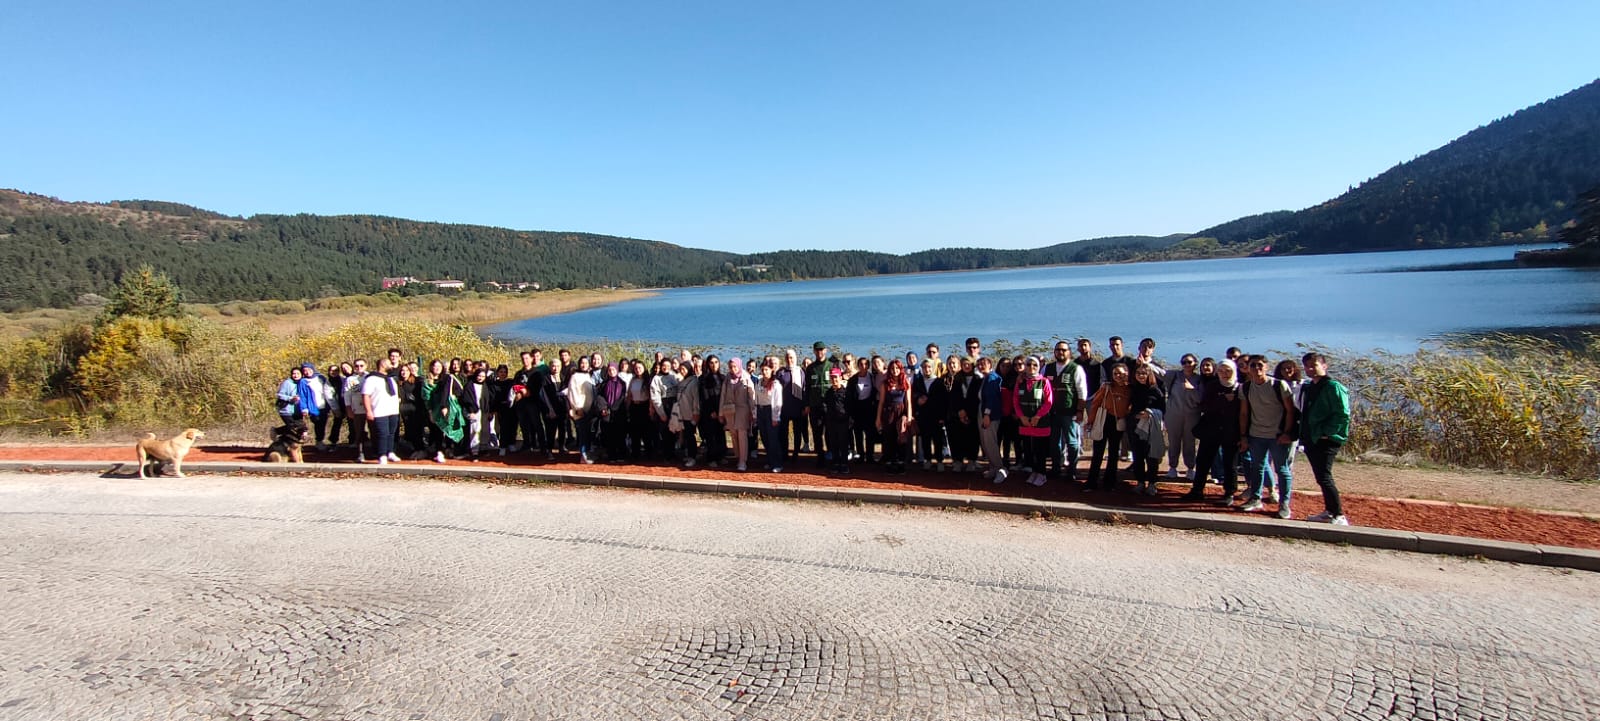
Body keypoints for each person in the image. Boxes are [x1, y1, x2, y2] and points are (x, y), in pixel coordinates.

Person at [1238, 357, 1298, 518]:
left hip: (1277, 436)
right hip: (1256, 435)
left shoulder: (1279, 385)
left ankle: (1284, 504)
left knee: (1282, 469)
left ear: (1266, 367)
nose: (1256, 368)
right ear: (1248, 368)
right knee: (1257, 467)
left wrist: (1286, 432)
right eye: (1253, 365)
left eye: (1260, 365)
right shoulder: (1245, 388)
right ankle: (1255, 498)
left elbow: (1290, 410)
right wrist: (1243, 436)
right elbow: (1244, 413)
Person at [1300, 353, 1352, 525]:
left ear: (1324, 366)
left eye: (1313, 365)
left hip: (1326, 439)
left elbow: (1343, 414)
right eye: (1307, 366)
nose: (1310, 369)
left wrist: (1327, 433)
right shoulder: (1310, 386)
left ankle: (1338, 515)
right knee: (1321, 477)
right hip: (1312, 438)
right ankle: (1329, 512)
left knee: (1324, 476)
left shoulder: (1332, 386)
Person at [1183, 359, 1244, 504]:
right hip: (1211, 429)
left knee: (1230, 464)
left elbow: (1243, 412)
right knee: (1203, 461)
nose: (1224, 374)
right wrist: (1223, 400)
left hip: (1231, 431)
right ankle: (1197, 490)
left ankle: (1229, 492)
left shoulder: (1240, 388)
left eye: (1227, 370)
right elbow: (1204, 406)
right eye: (1221, 370)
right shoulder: (1212, 386)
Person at [1043, 341, 1088, 480]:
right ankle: (1056, 468)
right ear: (1054, 352)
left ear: (1069, 351)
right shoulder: (1047, 368)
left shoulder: (1076, 368)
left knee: (1072, 442)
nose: (1060, 352)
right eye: (1058, 350)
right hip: (1052, 412)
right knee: (1054, 442)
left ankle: (1072, 470)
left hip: (1070, 412)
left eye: (1063, 350)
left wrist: (1080, 410)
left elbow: (1082, 392)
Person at [1085, 364, 1132, 490]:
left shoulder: (1129, 389)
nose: (1118, 376)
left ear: (1126, 373)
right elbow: (1095, 404)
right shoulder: (1106, 387)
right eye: (1115, 373)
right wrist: (1090, 421)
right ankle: (1091, 482)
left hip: (1118, 422)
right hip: (1104, 419)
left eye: (1121, 373)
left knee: (1113, 453)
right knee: (1098, 453)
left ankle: (1109, 482)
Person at [1012, 356, 1054, 487]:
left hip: (1040, 422)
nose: (1031, 367)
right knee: (1029, 448)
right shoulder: (1020, 382)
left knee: (1040, 449)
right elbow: (1015, 401)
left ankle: (1041, 474)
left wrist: (1038, 416)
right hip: (1025, 422)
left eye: (1034, 365)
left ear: (1039, 366)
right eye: (1028, 364)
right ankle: (1034, 472)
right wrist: (1022, 417)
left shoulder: (1044, 382)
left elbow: (1048, 402)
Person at [1163, 353, 1204, 479]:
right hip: (1174, 415)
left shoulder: (1199, 379)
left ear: (1195, 364)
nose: (1186, 365)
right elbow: (1160, 372)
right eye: (1184, 362)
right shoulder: (1175, 376)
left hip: (1192, 416)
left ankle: (1190, 468)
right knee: (1173, 442)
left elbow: (1201, 399)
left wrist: (1191, 389)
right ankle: (1173, 467)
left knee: (1189, 443)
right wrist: (1146, 363)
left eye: (1189, 362)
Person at [1128, 363, 1168, 495]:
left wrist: (1149, 413)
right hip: (1134, 426)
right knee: (1137, 456)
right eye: (1138, 373)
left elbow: (1163, 409)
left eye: (1143, 373)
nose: (1141, 376)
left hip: (1151, 428)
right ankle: (1140, 482)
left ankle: (1151, 483)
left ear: (1149, 374)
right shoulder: (1132, 389)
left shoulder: (1155, 390)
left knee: (1151, 457)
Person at [805, 342, 845, 467]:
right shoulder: (810, 368)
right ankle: (820, 456)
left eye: (821, 350)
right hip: (815, 405)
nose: (819, 352)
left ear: (826, 350)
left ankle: (832, 455)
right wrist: (807, 405)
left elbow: (839, 381)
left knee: (830, 432)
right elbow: (807, 388)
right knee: (817, 433)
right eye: (817, 350)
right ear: (814, 351)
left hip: (829, 405)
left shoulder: (832, 365)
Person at [361, 358, 402, 465]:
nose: (391, 365)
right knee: (382, 433)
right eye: (389, 363)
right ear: (383, 364)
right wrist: (368, 411)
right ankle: (382, 455)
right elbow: (365, 395)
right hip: (379, 411)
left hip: (393, 410)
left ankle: (390, 452)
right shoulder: (371, 379)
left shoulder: (390, 378)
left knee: (391, 433)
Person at [876, 359, 913, 474]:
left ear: (901, 369)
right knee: (889, 438)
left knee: (901, 437)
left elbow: (908, 401)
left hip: (901, 412)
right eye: (892, 368)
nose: (895, 371)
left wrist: (909, 416)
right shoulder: (885, 384)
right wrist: (878, 418)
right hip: (888, 412)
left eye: (897, 368)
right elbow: (881, 402)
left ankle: (901, 463)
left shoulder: (905, 382)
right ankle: (890, 463)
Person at [719, 357, 757, 471]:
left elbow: (752, 396)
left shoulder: (746, 377)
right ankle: (738, 456)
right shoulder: (727, 378)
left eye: (735, 366)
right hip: (729, 410)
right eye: (731, 367)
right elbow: (723, 395)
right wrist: (721, 413)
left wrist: (753, 412)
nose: (733, 369)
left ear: (739, 366)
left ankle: (743, 461)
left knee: (742, 435)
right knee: (734, 435)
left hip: (743, 410)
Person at [946, 357, 981, 473]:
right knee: (957, 438)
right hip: (958, 414)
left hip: (973, 414)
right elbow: (954, 396)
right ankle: (958, 461)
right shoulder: (956, 378)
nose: (966, 366)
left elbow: (978, 398)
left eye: (968, 364)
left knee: (972, 438)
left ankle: (972, 460)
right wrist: (960, 411)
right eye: (964, 364)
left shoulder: (978, 379)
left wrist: (969, 412)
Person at [975, 356, 1006, 482]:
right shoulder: (985, 378)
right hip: (981, 411)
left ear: (990, 364)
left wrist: (987, 415)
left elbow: (992, 398)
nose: (981, 366)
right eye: (979, 364)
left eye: (984, 364)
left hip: (990, 415)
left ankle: (1001, 469)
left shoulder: (992, 378)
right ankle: (993, 467)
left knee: (990, 442)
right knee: (985, 442)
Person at [913, 358, 948, 471]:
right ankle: (927, 460)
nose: (927, 369)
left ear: (933, 368)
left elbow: (944, 401)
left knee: (938, 440)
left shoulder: (939, 382)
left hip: (936, 417)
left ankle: (939, 461)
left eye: (929, 367)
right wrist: (918, 399)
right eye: (924, 367)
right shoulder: (918, 382)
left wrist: (942, 417)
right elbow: (914, 396)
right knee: (925, 439)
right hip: (923, 416)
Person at [755, 361, 787, 472]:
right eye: (763, 370)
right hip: (761, 411)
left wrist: (775, 417)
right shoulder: (759, 382)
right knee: (765, 438)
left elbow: (778, 402)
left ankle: (777, 463)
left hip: (771, 412)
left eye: (767, 370)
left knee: (773, 438)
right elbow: (756, 399)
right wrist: (755, 414)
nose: (764, 372)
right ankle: (769, 460)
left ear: (771, 370)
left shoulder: (776, 384)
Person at [821, 368, 854, 474]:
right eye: (832, 377)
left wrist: (849, 421)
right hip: (831, 422)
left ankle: (844, 464)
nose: (834, 379)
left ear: (840, 378)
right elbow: (825, 404)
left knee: (843, 444)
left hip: (843, 422)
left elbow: (850, 407)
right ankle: (835, 463)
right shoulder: (829, 393)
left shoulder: (846, 392)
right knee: (833, 443)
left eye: (836, 377)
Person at [697, 355, 727, 466]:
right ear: (708, 364)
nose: (714, 365)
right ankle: (711, 458)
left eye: (716, 362)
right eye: (711, 362)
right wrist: (711, 411)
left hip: (721, 410)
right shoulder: (703, 379)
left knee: (720, 434)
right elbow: (704, 396)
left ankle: (721, 456)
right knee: (711, 436)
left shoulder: (722, 378)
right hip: (710, 412)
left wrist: (722, 411)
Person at [596, 363, 628, 463]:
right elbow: (600, 397)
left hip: (618, 412)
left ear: (617, 370)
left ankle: (621, 455)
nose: (611, 372)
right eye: (609, 370)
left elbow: (622, 397)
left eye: (613, 370)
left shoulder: (622, 383)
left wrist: (614, 408)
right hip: (607, 413)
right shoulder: (603, 384)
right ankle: (611, 455)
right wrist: (604, 408)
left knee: (620, 434)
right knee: (609, 435)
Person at [847, 357, 877, 462]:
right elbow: (849, 396)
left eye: (865, 364)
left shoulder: (872, 378)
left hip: (869, 409)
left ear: (868, 366)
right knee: (858, 434)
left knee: (869, 434)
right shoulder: (853, 380)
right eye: (861, 364)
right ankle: (860, 455)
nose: (863, 367)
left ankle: (870, 456)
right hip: (857, 409)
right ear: (858, 366)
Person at [567, 357, 596, 463]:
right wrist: (578, 407)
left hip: (590, 410)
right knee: (582, 433)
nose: (584, 365)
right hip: (580, 410)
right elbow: (572, 393)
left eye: (586, 363)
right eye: (582, 363)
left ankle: (587, 453)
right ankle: (583, 455)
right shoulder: (575, 376)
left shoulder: (589, 376)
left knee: (588, 433)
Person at [676, 355, 703, 466]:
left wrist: (696, 413)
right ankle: (688, 455)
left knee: (691, 436)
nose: (682, 371)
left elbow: (696, 399)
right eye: (680, 369)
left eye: (684, 369)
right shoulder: (682, 381)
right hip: (682, 413)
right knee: (686, 435)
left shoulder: (693, 382)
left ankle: (693, 457)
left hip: (691, 414)